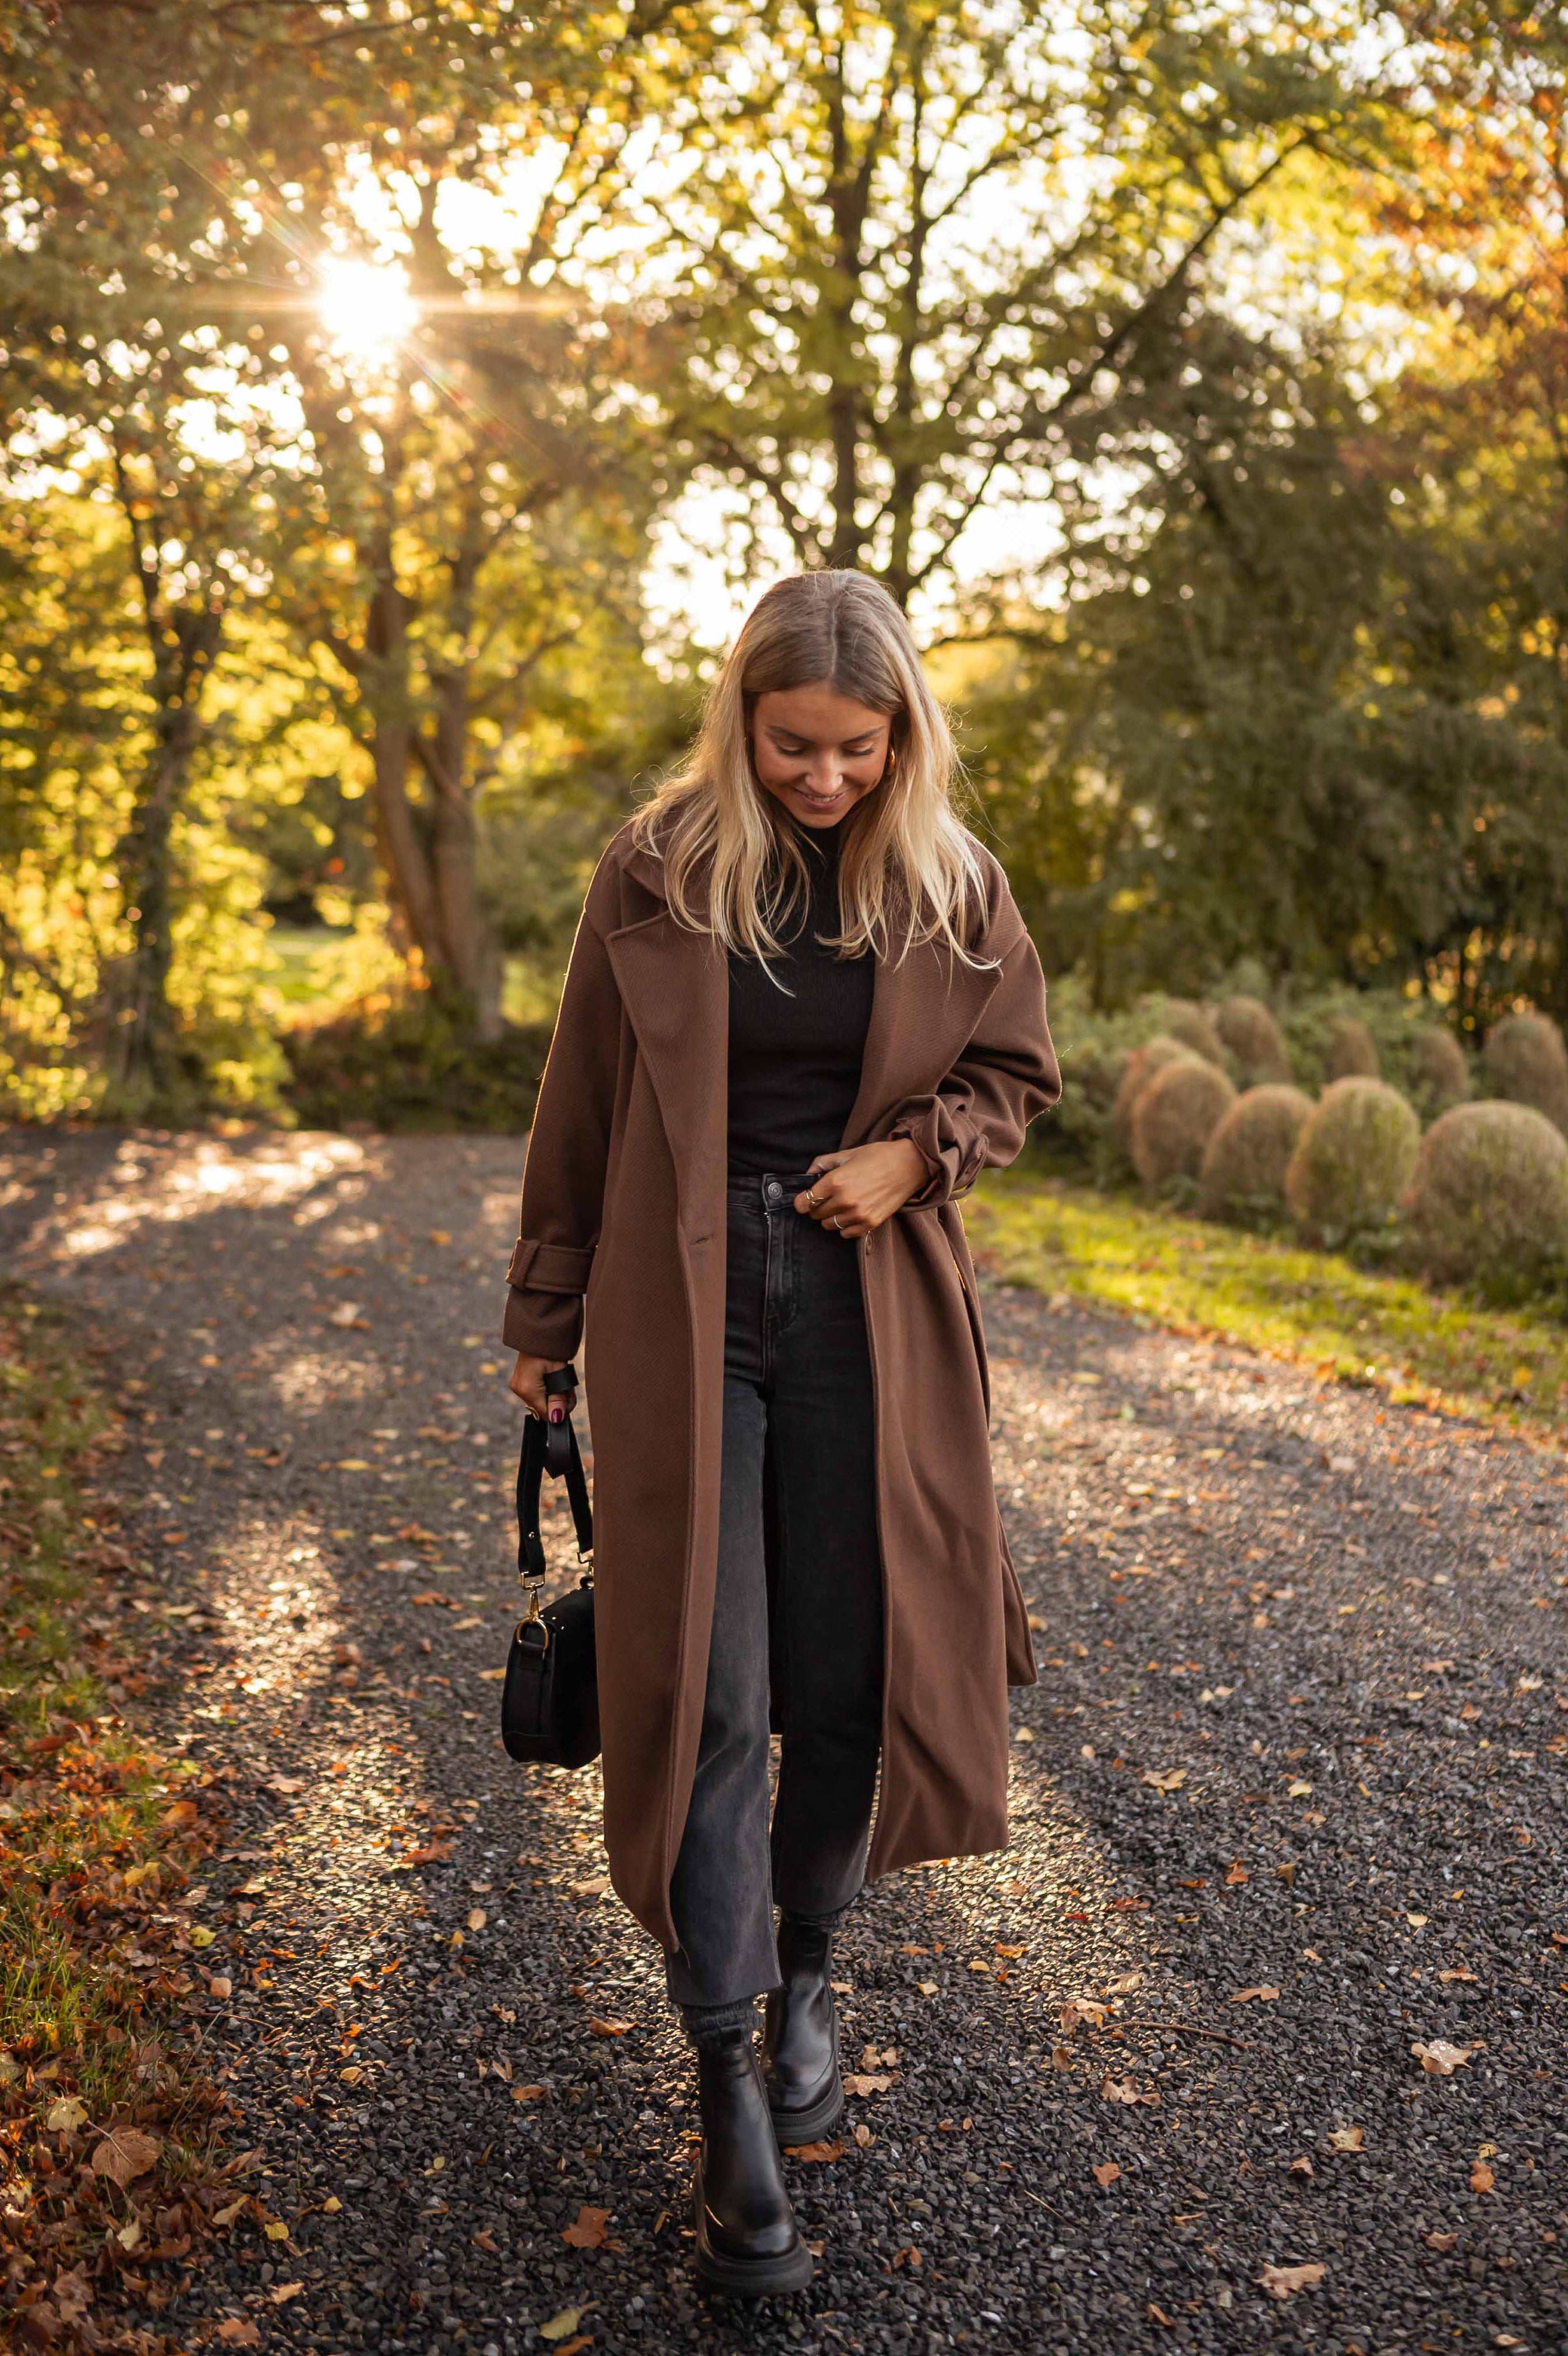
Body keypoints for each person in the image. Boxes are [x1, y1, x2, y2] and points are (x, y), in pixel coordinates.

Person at [503, 568, 1060, 2298]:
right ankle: (725, 2065)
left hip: (871, 1306)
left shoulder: (955, 883)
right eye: (795, 744)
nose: (825, 779)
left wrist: (917, 1157)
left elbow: (1018, 1072)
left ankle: (809, 1967)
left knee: (847, 1674)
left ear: (904, 737)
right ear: (744, 721)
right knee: (713, 1685)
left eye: (858, 749)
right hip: (680, 1314)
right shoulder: (657, 869)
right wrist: (542, 1320)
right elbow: (583, 1096)